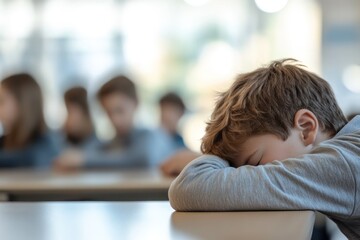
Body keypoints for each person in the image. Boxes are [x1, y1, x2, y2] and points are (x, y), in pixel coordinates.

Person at [169, 59, 360, 239]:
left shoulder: (344, 163)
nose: (251, 172)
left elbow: (189, 186)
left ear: (306, 128)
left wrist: (213, 158)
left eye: (255, 163)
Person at [55, 75, 172, 170]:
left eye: (120, 110)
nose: (115, 120)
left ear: (136, 103)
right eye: (109, 113)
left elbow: (143, 159)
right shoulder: (113, 143)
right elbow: (87, 152)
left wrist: (83, 160)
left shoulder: (152, 137)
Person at [0, 73, 59, 168]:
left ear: (22, 103)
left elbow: (32, 160)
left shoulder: (47, 140)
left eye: (1, 101)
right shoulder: (4, 141)